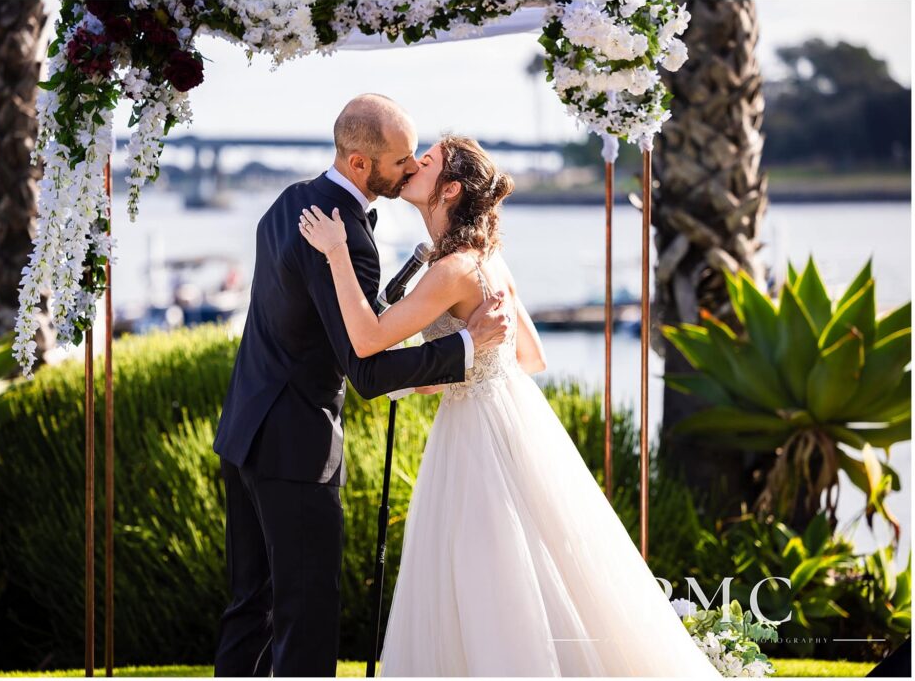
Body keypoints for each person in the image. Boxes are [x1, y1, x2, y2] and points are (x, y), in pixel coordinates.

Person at [298, 134, 723, 677]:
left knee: (482, 580)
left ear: (448, 190)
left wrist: (336, 251)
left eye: (424, 162)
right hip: (512, 419)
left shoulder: (451, 269)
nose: (413, 165)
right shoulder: (488, 259)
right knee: (511, 575)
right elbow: (531, 354)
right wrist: (460, 362)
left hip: (475, 435)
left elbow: (365, 338)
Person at [210, 95, 512, 677]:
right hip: (297, 448)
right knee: (307, 614)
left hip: (244, 431)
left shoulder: (286, 204)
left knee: (249, 606)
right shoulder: (343, 235)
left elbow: (319, 324)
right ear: (358, 165)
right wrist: (465, 351)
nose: (409, 170)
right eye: (401, 160)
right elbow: (366, 369)